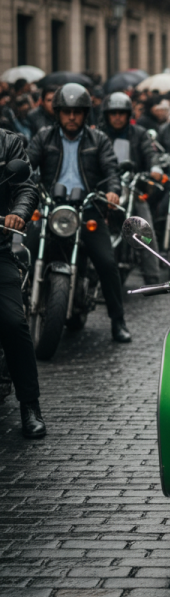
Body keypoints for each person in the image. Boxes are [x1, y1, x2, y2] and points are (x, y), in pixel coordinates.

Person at [26, 83, 132, 343]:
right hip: (52, 207)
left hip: (87, 209)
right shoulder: (43, 137)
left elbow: (111, 171)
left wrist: (112, 191)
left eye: (77, 111)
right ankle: (17, 312)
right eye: (66, 111)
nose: (72, 117)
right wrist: (25, 185)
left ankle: (118, 321)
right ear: (58, 113)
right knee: (24, 253)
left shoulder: (99, 140)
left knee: (107, 263)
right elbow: (28, 166)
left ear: (85, 114)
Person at [0, 127, 46, 437]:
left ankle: (29, 405)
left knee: (13, 323)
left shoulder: (8, 142)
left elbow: (27, 187)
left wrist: (17, 213)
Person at [101, 91, 164, 284]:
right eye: (113, 113)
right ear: (107, 115)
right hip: (104, 191)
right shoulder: (99, 135)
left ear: (129, 115)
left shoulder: (139, 133)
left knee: (144, 226)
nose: (118, 117)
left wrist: (154, 168)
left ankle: (152, 275)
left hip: (132, 187)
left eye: (121, 113)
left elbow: (149, 153)